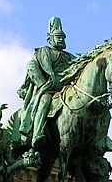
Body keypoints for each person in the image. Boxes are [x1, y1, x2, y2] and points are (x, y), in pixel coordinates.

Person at [17, 17, 76, 150]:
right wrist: (43, 83)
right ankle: (37, 133)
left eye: (62, 37)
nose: (61, 39)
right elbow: (31, 67)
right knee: (45, 101)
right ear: (50, 39)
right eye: (58, 37)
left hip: (66, 90)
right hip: (48, 89)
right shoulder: (44, 52)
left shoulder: (69, 57)